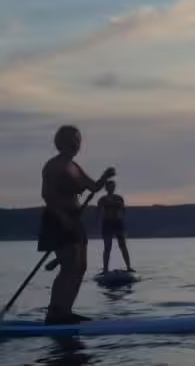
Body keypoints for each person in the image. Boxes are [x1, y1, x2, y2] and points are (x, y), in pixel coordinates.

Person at [39, 125, 114, 324]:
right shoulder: (53, 166)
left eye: (78, 140)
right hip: (57, 218)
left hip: (74, 218)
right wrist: (61, 216)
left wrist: (104, 177)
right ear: (63, 142)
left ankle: (65, 311)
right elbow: (46, 195)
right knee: (69, 266)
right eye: (74, 140)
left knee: (80, 266)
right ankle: (55, 312)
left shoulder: (74, 166)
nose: (77, 144)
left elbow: (94, 186)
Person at [98, 180, 132, 273]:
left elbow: (123, 211)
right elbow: (98, 212)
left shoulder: (119, 198)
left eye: (113, 186)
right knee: (107, 247)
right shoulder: (102, 199)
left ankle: (128, 267)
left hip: (117, 223)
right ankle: (105, 269)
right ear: (106, 188)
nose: (111, 188)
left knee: (123, 245)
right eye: (109, 186)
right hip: (107, 223)